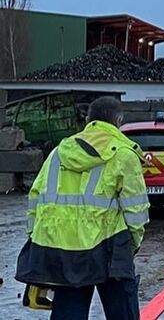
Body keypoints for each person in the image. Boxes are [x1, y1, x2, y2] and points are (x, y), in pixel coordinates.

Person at [16, 96, 149, 320]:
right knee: (122, 311)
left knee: (69, 313)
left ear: (88, 120)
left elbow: (35, 199)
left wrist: (38, 238)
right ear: (118, 121)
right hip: (110, 247)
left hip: (60, 248)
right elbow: (136, 210)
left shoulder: (59, 152)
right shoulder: (124, 155)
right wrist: (131, 245)